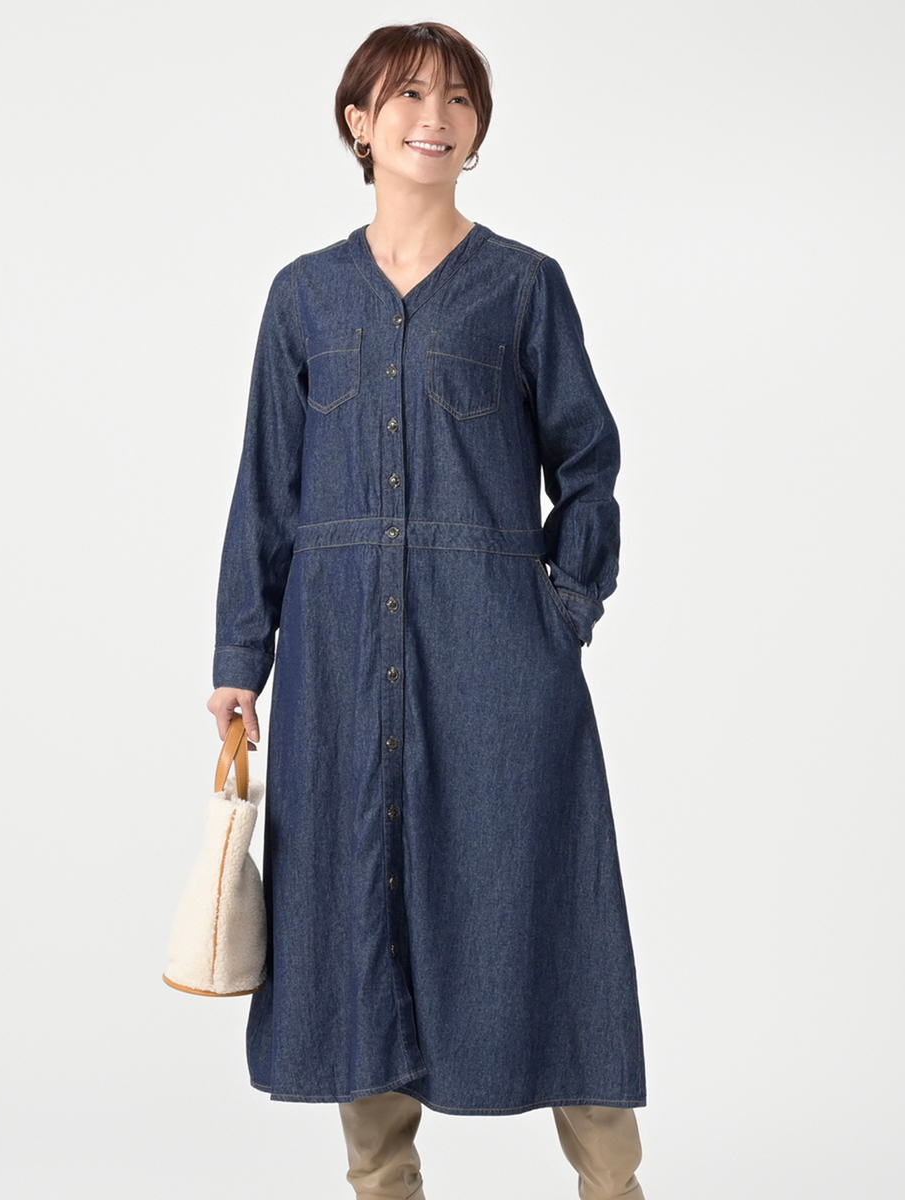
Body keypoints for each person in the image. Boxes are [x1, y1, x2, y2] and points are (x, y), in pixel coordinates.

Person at [206, 22, 646, 1200]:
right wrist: (241, 656)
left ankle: (614, 1187)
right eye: (407, 95)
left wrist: (562, 606)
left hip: (500, 660)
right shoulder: (303, 297)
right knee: (353, 910)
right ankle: (381, 1185)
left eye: (457, 98)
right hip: (340, 659)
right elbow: (266, 489)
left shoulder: (523, 286)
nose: (434, 117)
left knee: (550, 911)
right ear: (359, 122)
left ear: (477, 129)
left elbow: (588, 463)